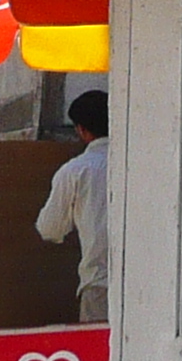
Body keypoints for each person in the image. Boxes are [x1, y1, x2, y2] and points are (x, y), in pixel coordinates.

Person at [36, 87, 110, 323]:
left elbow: (50, 229)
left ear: (81, 130)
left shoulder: (74, 171)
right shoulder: (145, 163)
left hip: (100, 284)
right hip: (151, 285)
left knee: (101, 356)